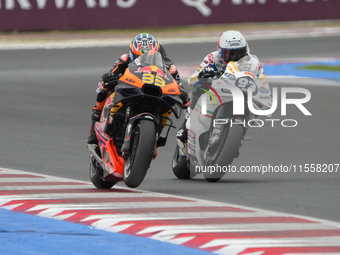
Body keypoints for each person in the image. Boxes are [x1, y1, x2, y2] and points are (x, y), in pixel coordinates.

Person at [87, 33, 189, 144]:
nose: (143, 59)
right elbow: (110, 74)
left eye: (149, 55)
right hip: (132, 90)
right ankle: (95, 122)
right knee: (104, 86)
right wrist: (110, 77)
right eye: (138, 56)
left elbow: (179, 87)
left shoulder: (169, 67)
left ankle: (154, 136)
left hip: (156, 95)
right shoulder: (125, 59)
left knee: (173, 103)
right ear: (132, 53)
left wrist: (183, 94)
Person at [176, 30, 265, 142]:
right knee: (197, 89)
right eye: (230, 54)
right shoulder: (212, 58)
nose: (235, 58)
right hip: (217, 90)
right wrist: (203, 76)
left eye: (239, 53)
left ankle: (240, 130)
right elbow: (191, 80)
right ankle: (185, 126)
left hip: (241, 94)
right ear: (220, 51)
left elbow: (263, 85)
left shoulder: (253, 63)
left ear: (246, 50)